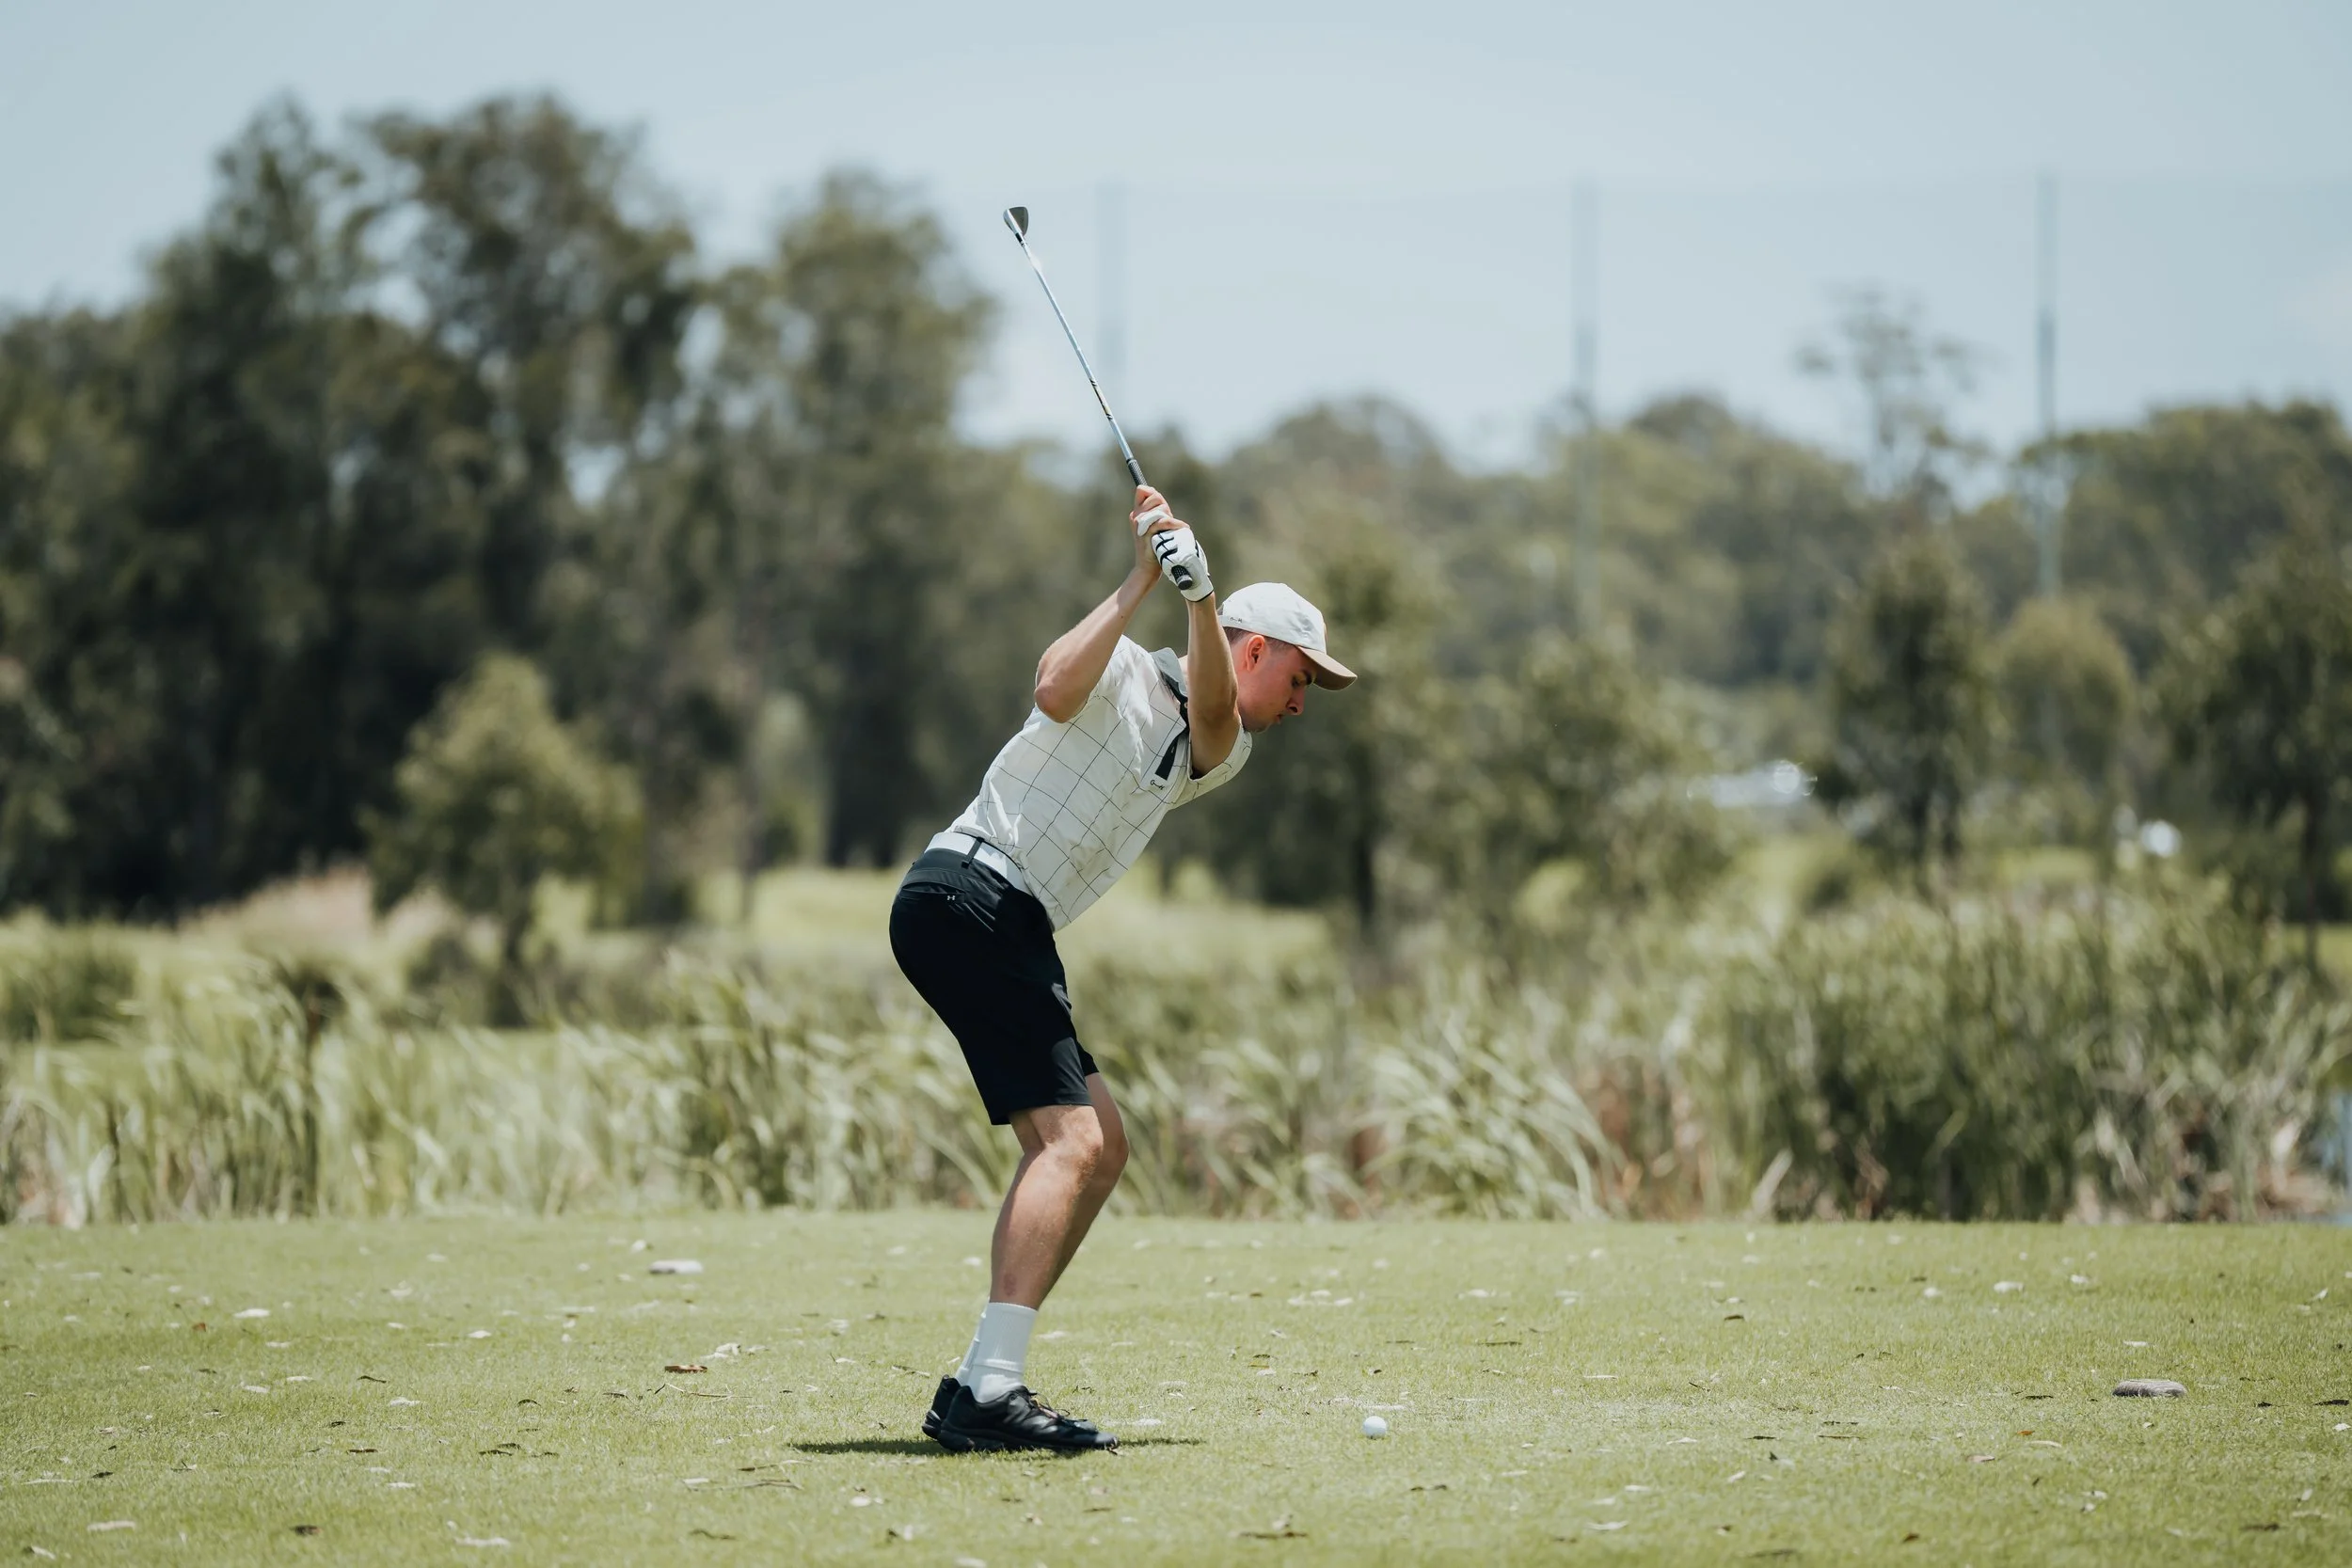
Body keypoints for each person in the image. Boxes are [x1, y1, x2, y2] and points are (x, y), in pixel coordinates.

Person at [889, 486, 1355, 1453]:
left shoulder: (1213, 745)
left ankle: (986, 1373)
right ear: (1257, 647)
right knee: (1068, 1146)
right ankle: (989, 1387)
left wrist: (1199, 599)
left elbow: (1217, 713)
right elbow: (1053, 686)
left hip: (1007, 919)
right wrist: (1146, 574)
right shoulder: (1122, 673)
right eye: (1301, 677)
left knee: (1101, 1142)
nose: (1303, 703)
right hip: (970, 891)